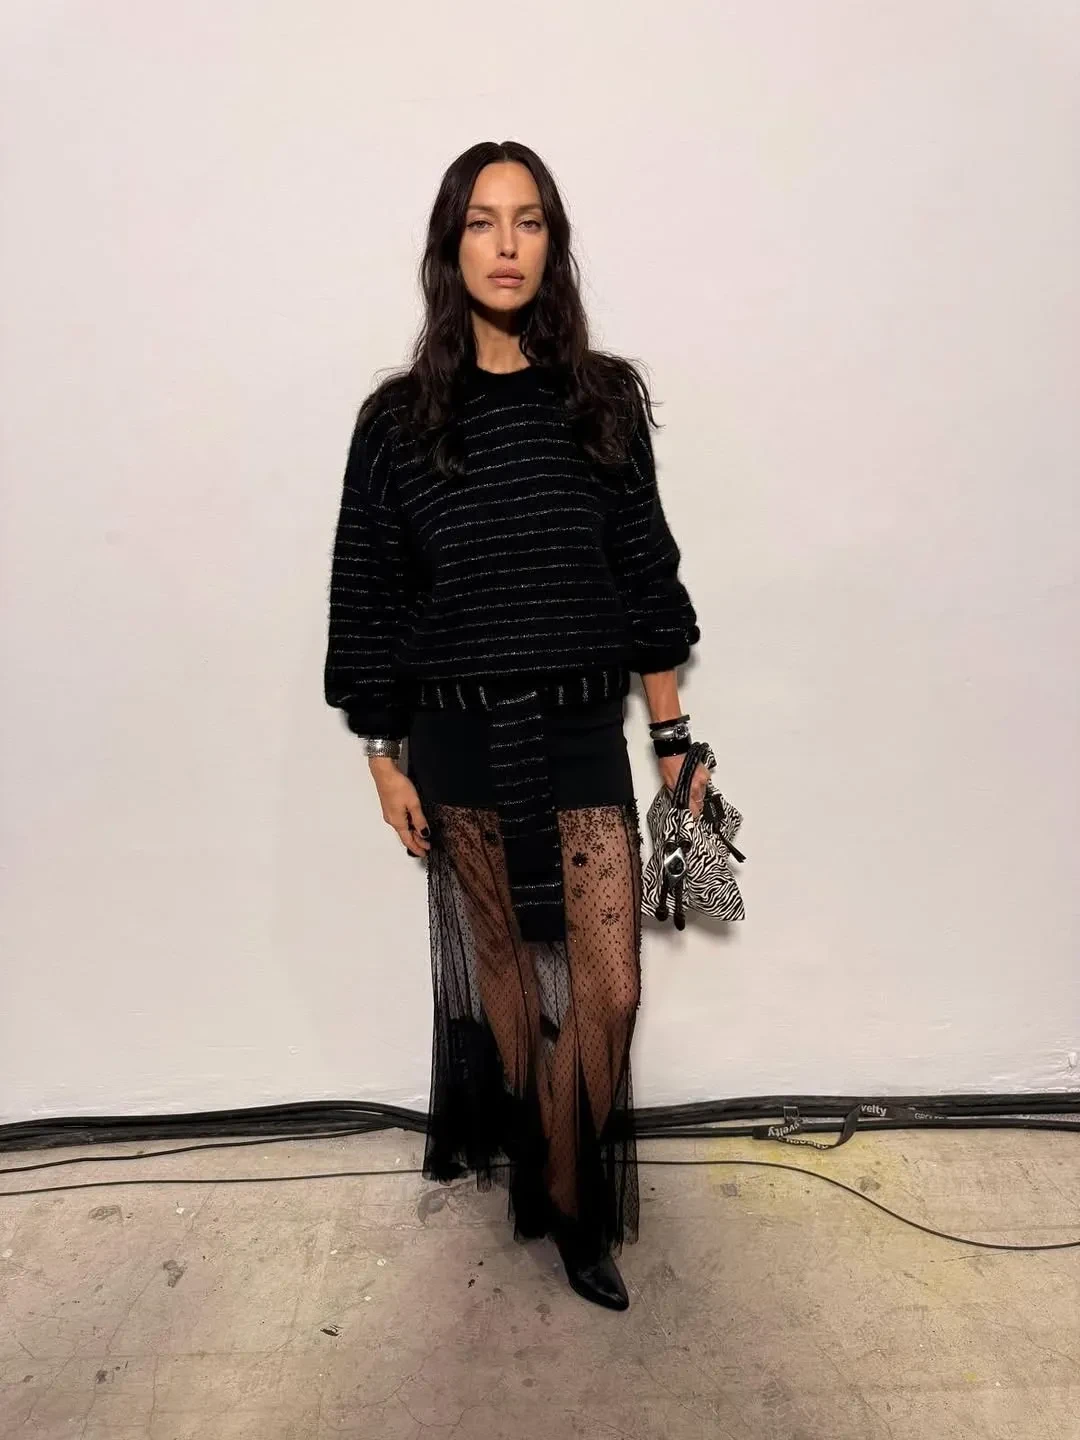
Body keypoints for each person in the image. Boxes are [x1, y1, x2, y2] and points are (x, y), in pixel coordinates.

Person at [323, 140, 710, 1311]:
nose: (506, 245)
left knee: (608, 990)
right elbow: (368, 593)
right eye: (483, 222)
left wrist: (674, 740)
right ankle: (547, 1172)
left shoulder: (603, 400)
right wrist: (382, 756)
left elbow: (645, 577)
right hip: (454, 738)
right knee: (503, 968)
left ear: (553, 243)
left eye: (528, 220)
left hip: (582, 728)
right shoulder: (398, 421)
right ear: (451, 249)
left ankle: (565, 1178)